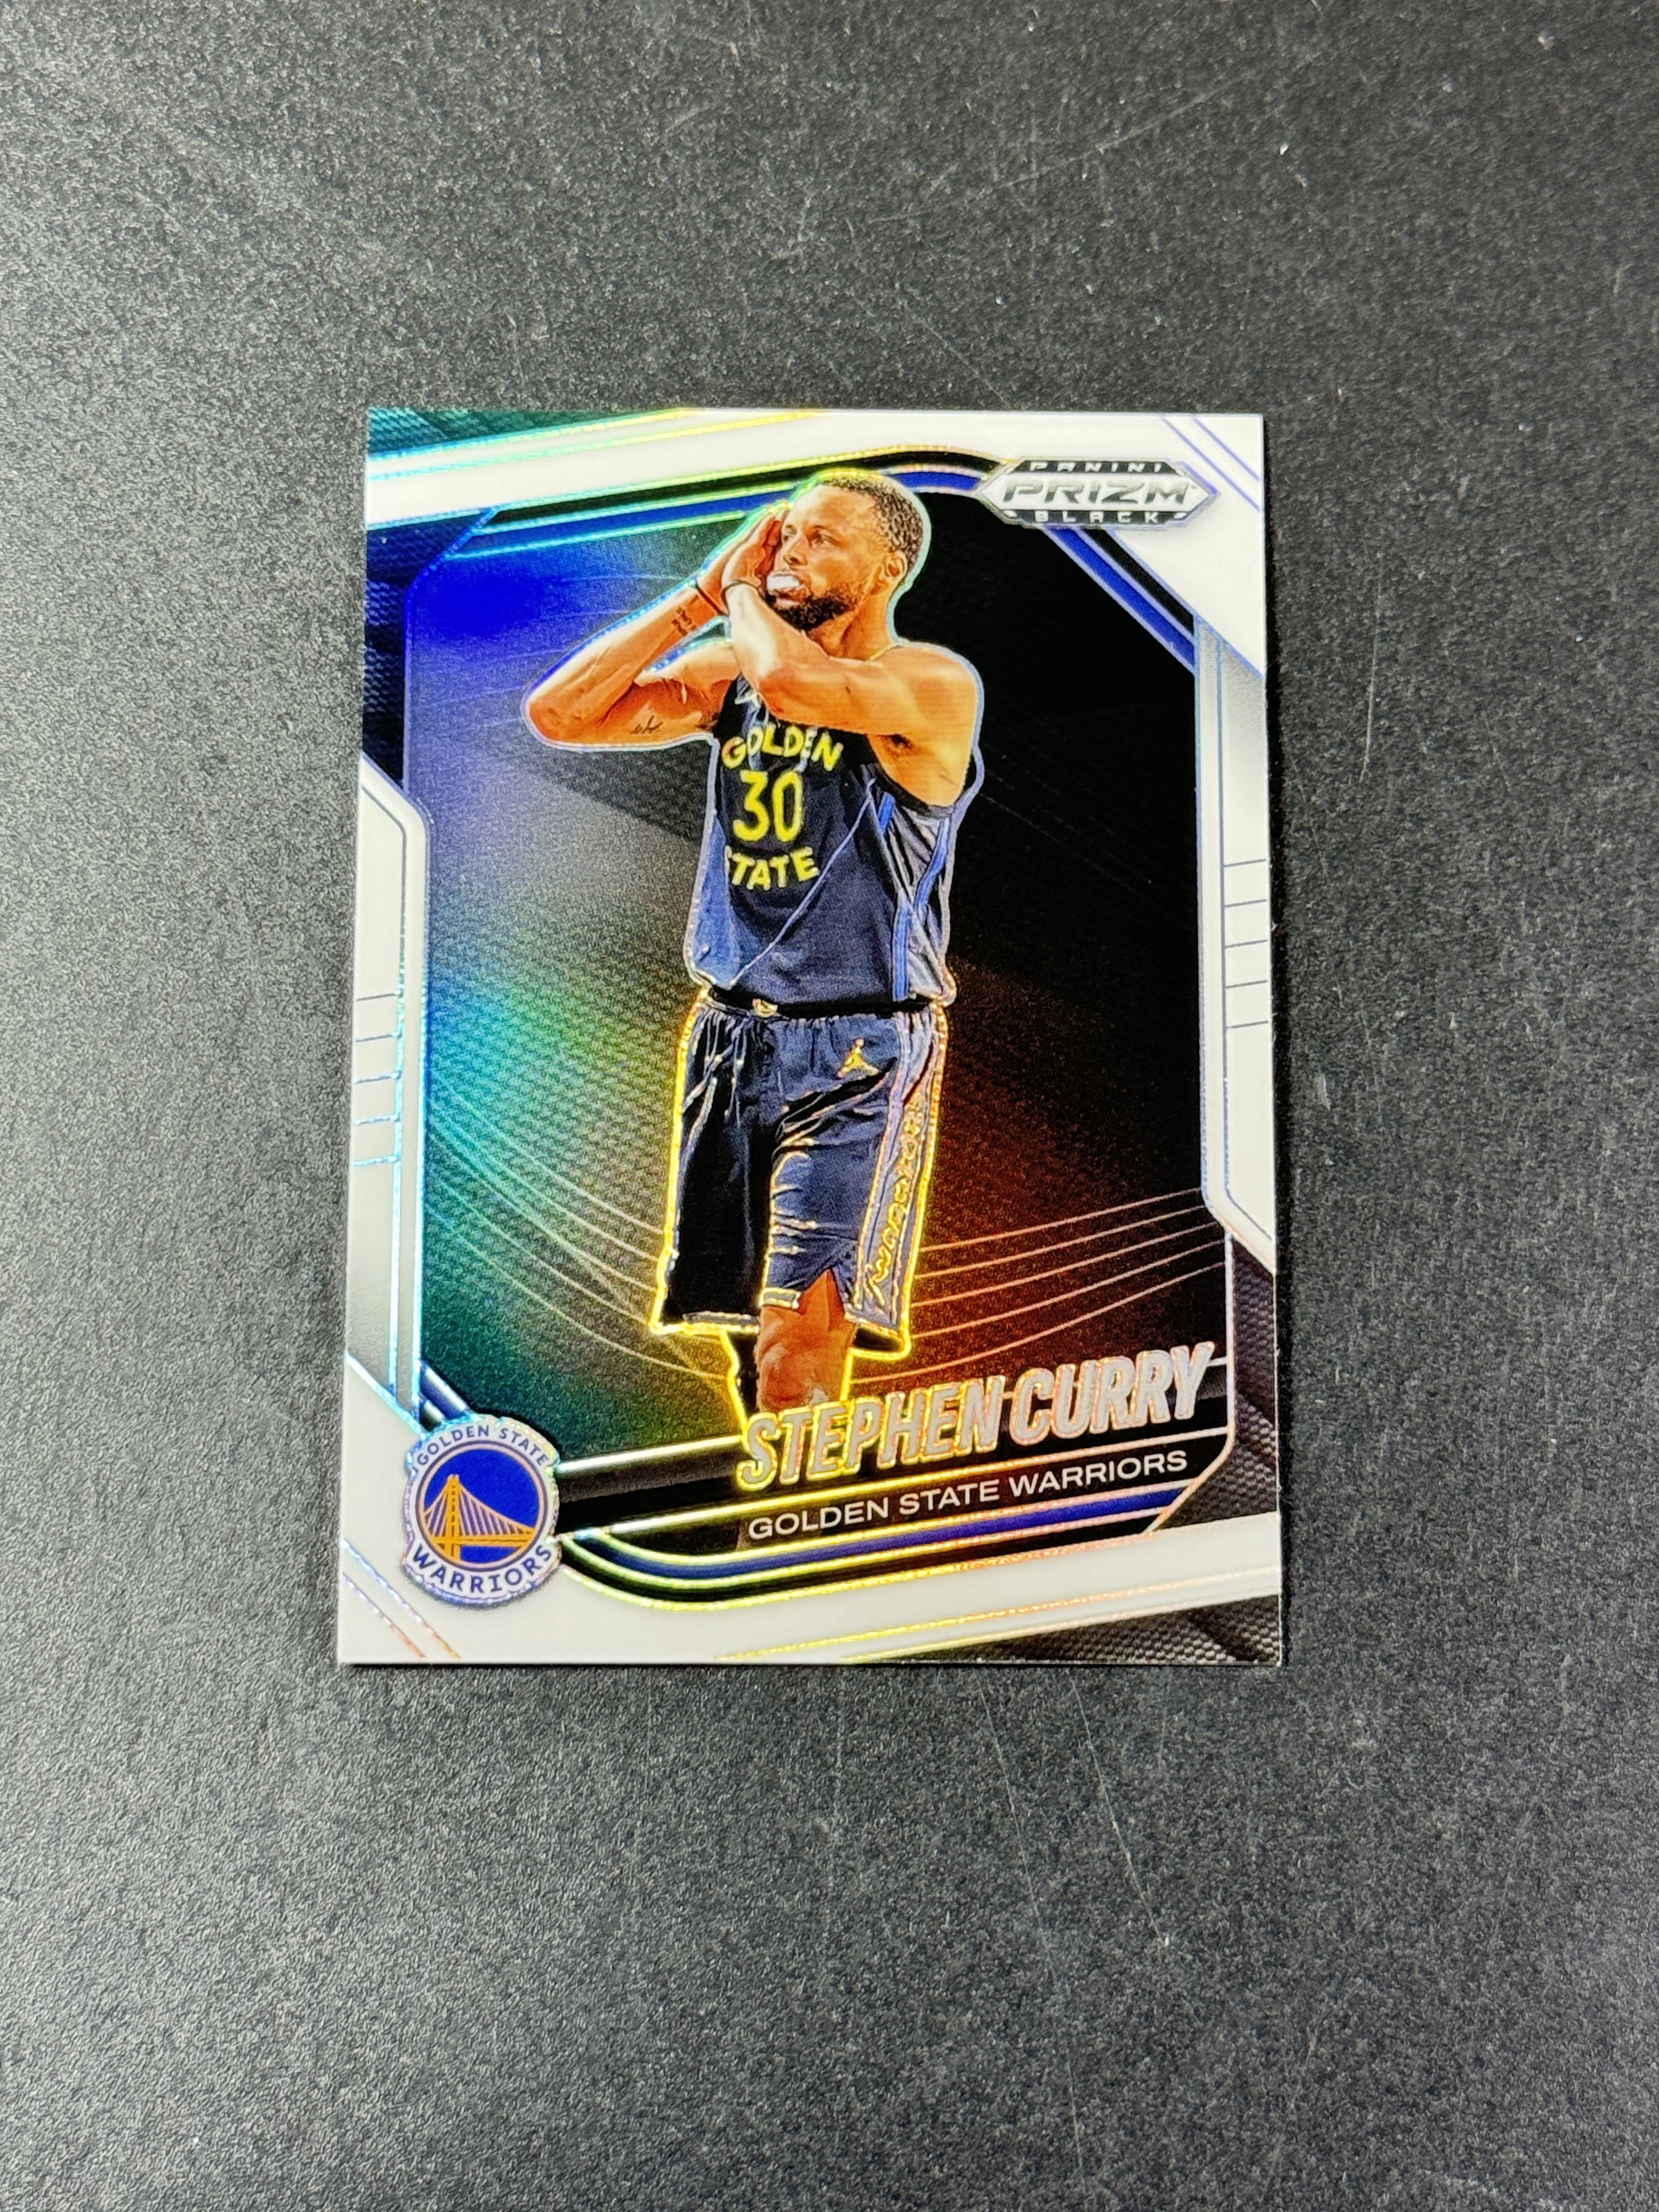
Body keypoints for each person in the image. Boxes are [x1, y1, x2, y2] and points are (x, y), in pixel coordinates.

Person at [524, 470, 982, 1420]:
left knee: (791, 1354)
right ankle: (789, 1496)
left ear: (886, 569)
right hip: (732, 1036)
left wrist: (737, 588)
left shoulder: (928, 683)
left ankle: (818, 1503)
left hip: (858, 1046)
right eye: (786, 534)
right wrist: (700, 594)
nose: (789, 552)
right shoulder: (735, 671)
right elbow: (558, 715)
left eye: (822, 539)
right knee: (741, 1348)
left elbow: (792, 684)